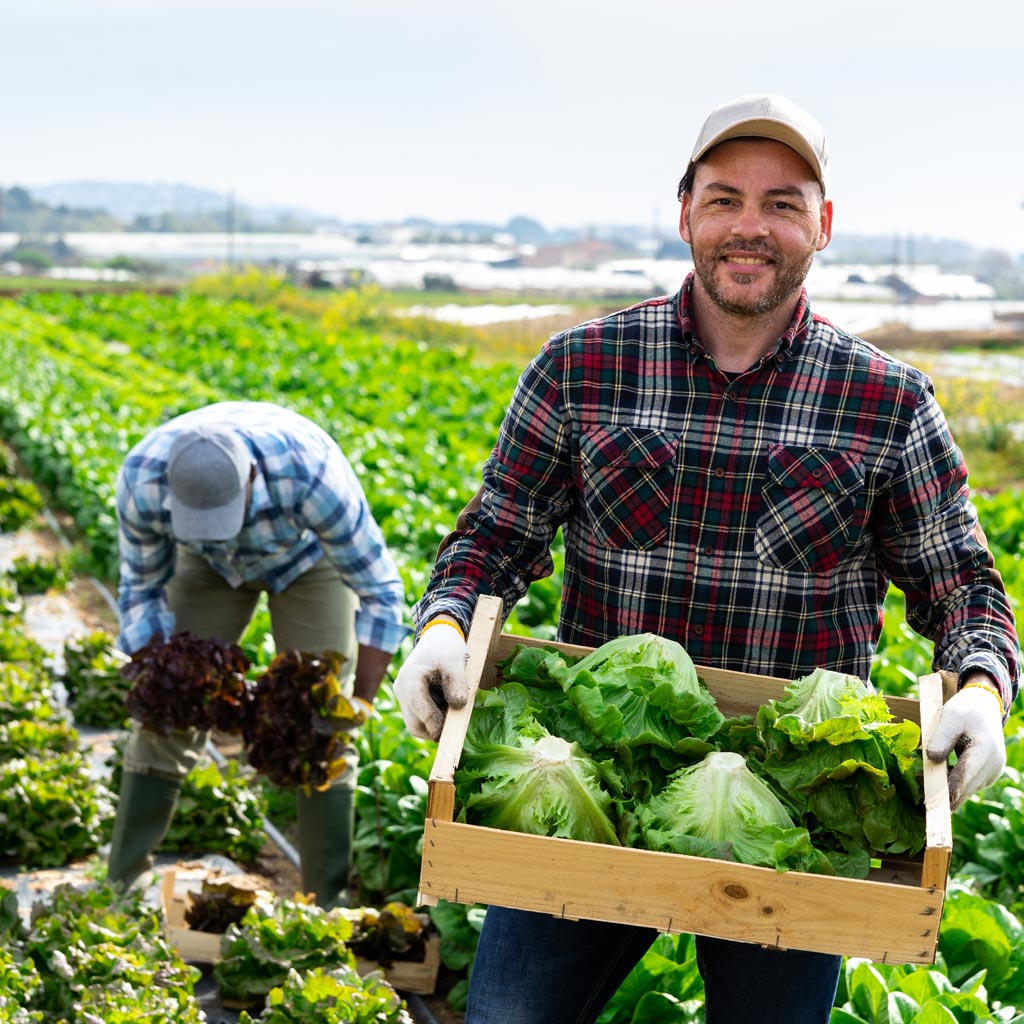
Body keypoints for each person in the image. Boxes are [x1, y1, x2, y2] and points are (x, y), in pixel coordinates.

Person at [392, 93, 1020, 1023]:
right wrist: (445, 625)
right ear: (685, 211)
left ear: (823, 224)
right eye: (724, 199)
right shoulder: (583, 366)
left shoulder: (886, 401)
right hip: (595, 785)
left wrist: (980, 688)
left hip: (799, 805)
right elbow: (496, 534)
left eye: (783, 202)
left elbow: (960, 580)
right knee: (510, 1017)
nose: (750, 227)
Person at [108, 400, 409, 908]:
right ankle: (121, 885)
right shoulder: (143, 479)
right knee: (165, 719)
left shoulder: (311, 471)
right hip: (205, 567)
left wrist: (358, 701)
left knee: (322, 728)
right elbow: (141, 592)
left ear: (251, 477)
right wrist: (168, 681)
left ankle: (324, 905)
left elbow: (380, 590)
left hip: (308, 562)